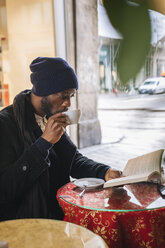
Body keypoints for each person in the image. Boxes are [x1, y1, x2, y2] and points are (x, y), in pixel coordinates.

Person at [0, 57, 121, 221]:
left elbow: (72, 160)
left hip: (59, 214)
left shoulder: (50, 117)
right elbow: (5, 189)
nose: (68, 103)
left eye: (71, 95)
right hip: (25, 224)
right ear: (43, 91)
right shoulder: (6, 124)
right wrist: (44, 143)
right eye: (64, 95)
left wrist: (104, 172)